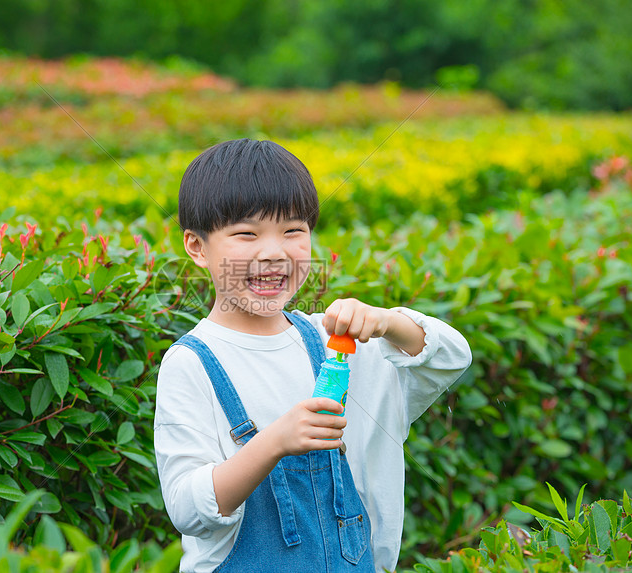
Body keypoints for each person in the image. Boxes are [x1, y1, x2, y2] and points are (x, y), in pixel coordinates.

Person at [154, 138, 472, 572]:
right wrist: (274, 443)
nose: (274, 252)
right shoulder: (192, 362)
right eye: (246, 234)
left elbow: (450, 358)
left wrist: (386, 322)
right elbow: (186, 507)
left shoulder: (333, 343)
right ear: (197, 246)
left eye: (293, 231)